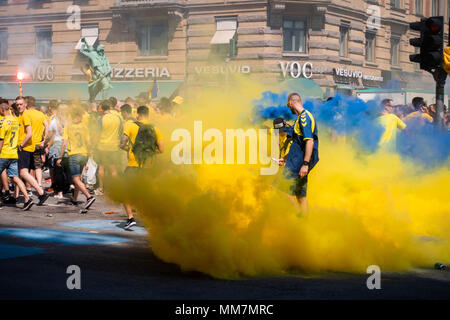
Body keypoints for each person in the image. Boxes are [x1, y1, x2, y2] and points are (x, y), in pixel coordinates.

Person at [119, 105, 163, 229]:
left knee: (125, 192)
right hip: (148, 166)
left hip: (133, 165)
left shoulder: (131, 125)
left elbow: (122, 144)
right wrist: (148, 152)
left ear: (138, 114)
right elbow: (161, 149)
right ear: (148, 115)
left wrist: (131, 149)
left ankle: (130, 218)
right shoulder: (155, 128)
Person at [283, 93, 319, 214]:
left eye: (288, 106)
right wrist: (285, 159)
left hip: (298, 163)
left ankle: (298, 219)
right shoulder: (301, 118)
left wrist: (305, 164)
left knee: (280, 189)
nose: (289, 108)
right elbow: (297, 144)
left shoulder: (305, 117)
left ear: (291, 103)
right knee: (300, 196)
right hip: (296, 161)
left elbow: (309, 141)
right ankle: (305, 225)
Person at [57, 107, 95, 209]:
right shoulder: (85, 127)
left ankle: (89, 197)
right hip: (84, 154)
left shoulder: (68, 127)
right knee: (78, 178)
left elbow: (64, 143)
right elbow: (89, 142)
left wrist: (60, 157)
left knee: (75, 178)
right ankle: (74, 199)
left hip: (74, 155)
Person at [0, 99, 34, 210]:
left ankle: (6, 193)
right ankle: (27, 198)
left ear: (2, 109)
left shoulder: (3, 122)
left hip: (4, 153)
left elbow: (1, 140)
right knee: (15, 177)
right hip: (14, 153)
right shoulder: (15, 120)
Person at [15, 96, 49, 205]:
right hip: (28, 147)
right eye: (17, 104)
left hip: (25, 148)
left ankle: (40, 192)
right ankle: (17, 195)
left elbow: (29, 133)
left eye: (21, 104)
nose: (19, 106)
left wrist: (21, 145)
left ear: (25, 105)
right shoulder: (23, 115)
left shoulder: (26, 115)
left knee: (23, 172)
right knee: (21, 173)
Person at [94, 99, 122, 195]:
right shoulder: (118, 118)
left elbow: (98, 133)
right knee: (113, 169)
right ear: (110, 107)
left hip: (102, 146)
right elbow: (121, 132)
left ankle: (101, 189)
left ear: (102, 108)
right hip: (114, 146)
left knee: (101, 167)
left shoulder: (101, 119)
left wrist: (94, 145)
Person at [26, 96, 49, 189]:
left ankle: (28, 187)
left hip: (28, 144)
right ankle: (39, 184)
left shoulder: (26, 114)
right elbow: (47, 126)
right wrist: (44, 139)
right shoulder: (41, 114)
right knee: (37, 166)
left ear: (26, 104)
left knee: (27, 167)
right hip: (39, 143)